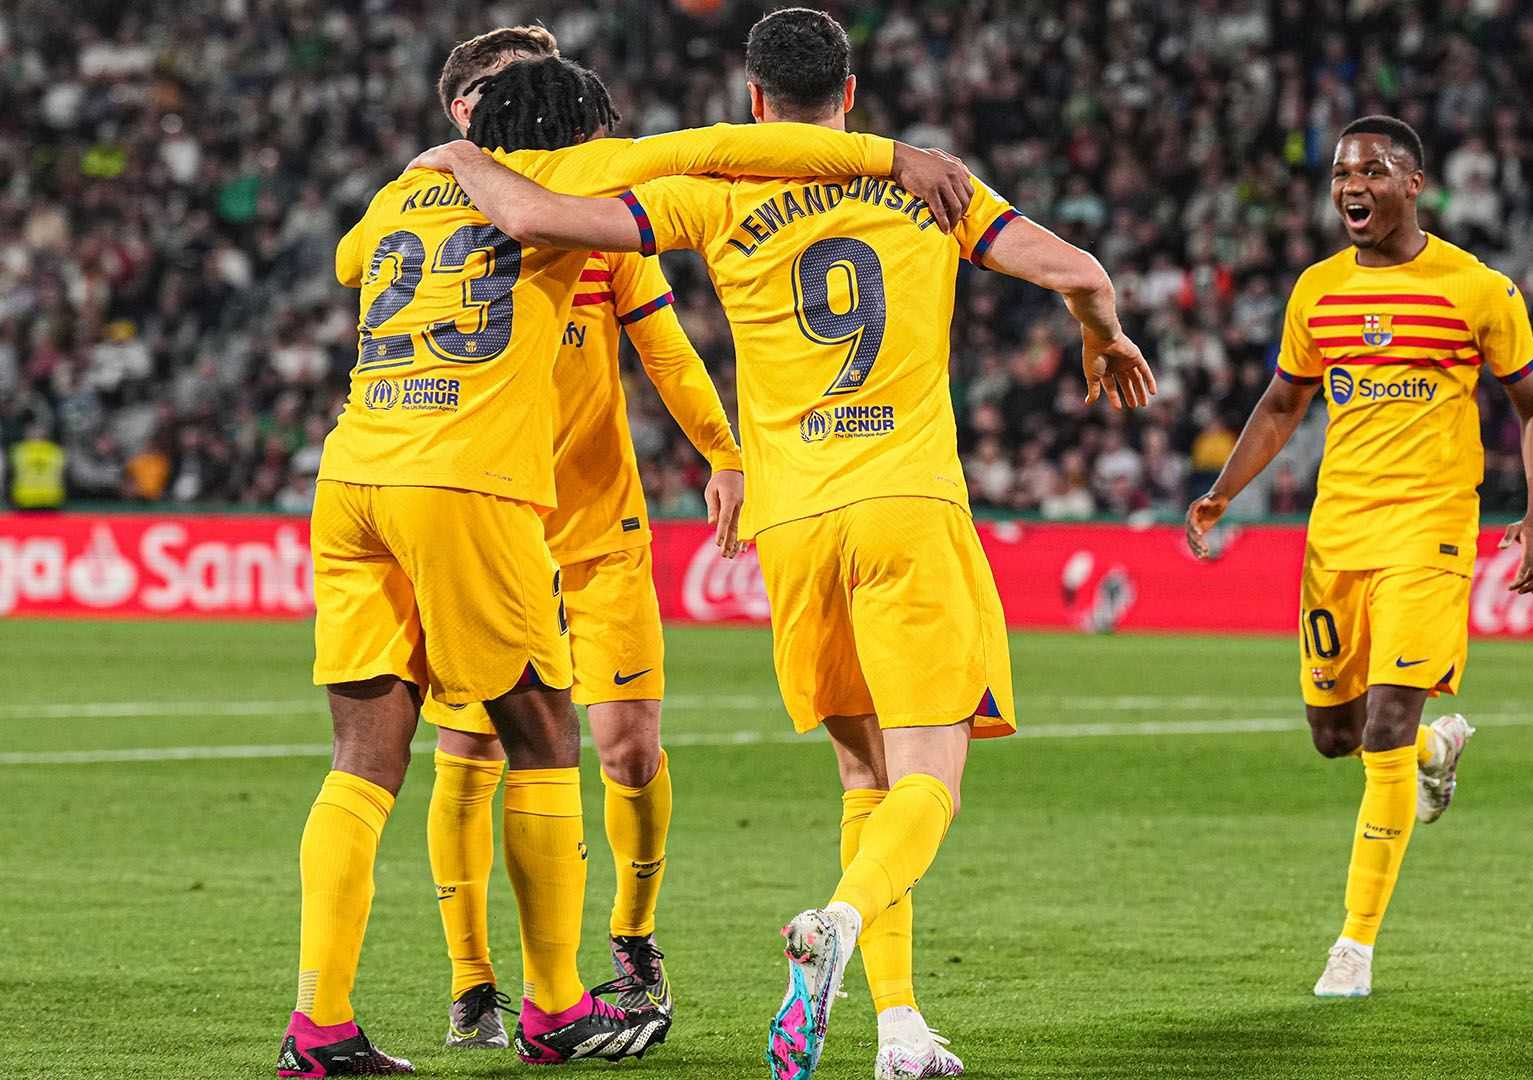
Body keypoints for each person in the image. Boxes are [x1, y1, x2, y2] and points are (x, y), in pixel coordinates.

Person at [408, 10, 1155, 1078]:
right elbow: (1079, 270)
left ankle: (899, 1027)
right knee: (928, 781)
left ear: (755, 101)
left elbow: (538, 209)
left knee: (863, 776)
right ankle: (839, 920)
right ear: (848, 95)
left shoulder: (712, 197)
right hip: (907, 507)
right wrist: (1102, 333)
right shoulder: (937, 188)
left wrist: (457, 157)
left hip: (796, 528)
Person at [279, 52, 974, 1077]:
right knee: (542, 735)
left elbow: (348, 262)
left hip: (351, 481)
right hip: (464, 484)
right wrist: (890, 157)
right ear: (573, 133)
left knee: (362, 760)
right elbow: (729, 145)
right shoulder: (565, 178)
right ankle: (554, 1004)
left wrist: (448, 164)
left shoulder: (401, 195)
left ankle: (320, 1025)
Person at [416, 28, 747, 1053]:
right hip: (490, 522)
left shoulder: (595, 224)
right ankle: (473, 982)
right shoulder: (427, 224)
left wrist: (725, 452)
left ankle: (633, 939)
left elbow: (667, 349)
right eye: (496, 89)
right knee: (471, 747)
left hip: (598, 526)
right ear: (463, 110)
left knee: (629, 748)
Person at [1185, 115, 1533, 999]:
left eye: (1374, 171)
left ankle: (1353, 945)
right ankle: (1435, 750)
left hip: (1430, 531)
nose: (1353, 186)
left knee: (1383, 728)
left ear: (1414, 184)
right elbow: (1283, 403)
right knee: (1336, 736)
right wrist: (1224, 490)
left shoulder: (1477, 289)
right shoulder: (1317, 291)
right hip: (1337, 535)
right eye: (1342, 174)